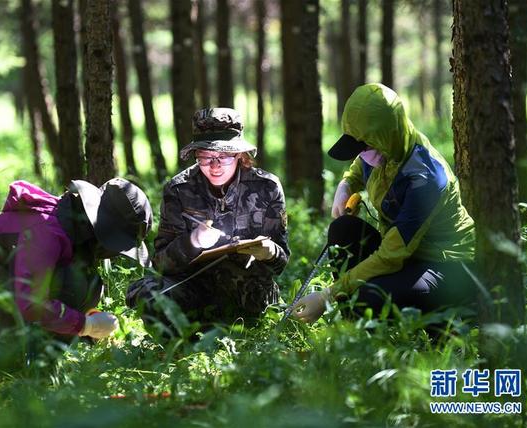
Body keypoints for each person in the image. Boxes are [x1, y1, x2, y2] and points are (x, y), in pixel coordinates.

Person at [292, 83, 476, 324]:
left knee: (368, 296)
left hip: (445, 265)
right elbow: (360, 166)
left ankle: (444, 328)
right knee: (343, 229)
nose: (363, 154)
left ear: (385, 136)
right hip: (405, 255)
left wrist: (329, 294)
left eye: (365, 146)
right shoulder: (381, 148)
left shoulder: (426, 177)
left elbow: (392, 254)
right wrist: (345, 185)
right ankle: (355, 331)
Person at [0, 178, 153, 368]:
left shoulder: (65, 224)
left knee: (86, 281)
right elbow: (29, 302)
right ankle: (23, 366)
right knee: (73, 282)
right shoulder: (46, 230)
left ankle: (39, 360)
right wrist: (86, 326)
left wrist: (89, 322)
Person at [126, 108, 289, 333]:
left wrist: (269, 252)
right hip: (193, 290)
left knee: (253, 293)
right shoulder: (179, 189)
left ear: (240, 155)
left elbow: (282, 261)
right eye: (205, 157)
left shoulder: (266, 187)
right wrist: (192, 241)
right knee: (146, 291)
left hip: (248, 291)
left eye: (224, 156)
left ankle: (242, 332)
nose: (215, 166)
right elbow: (161, 264)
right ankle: (180, 342)